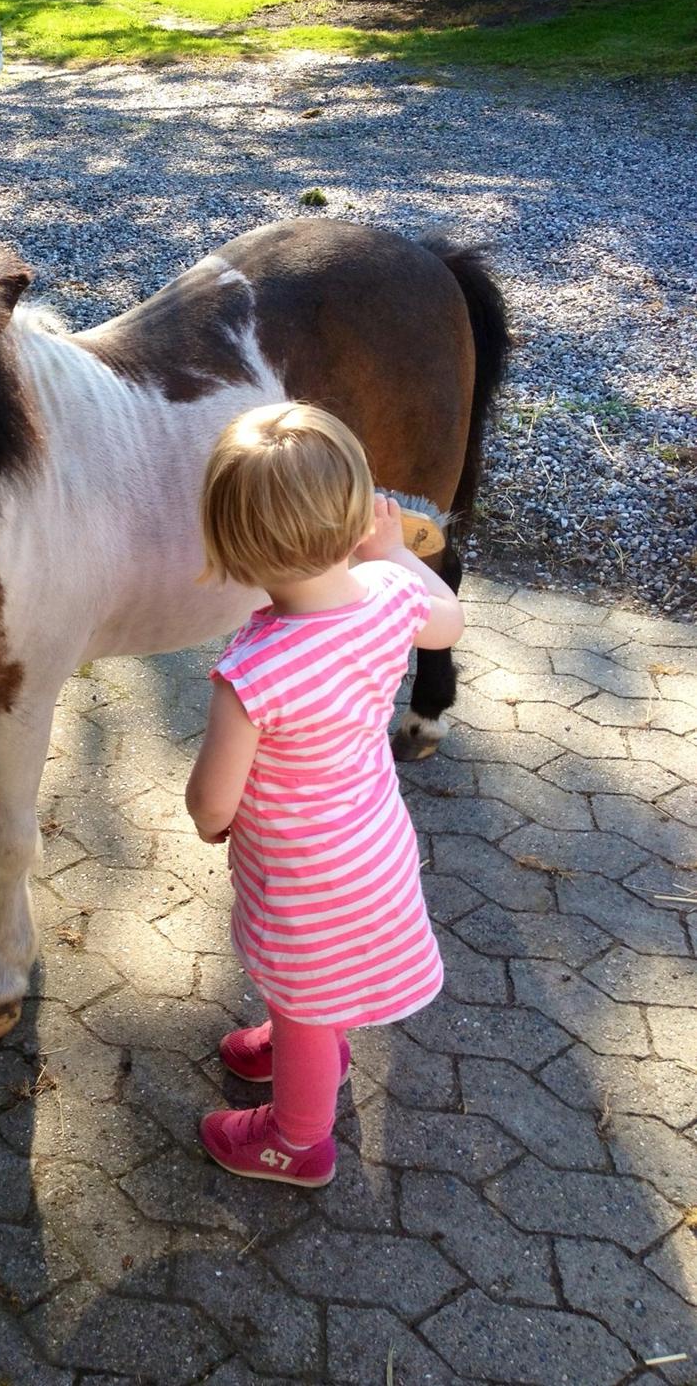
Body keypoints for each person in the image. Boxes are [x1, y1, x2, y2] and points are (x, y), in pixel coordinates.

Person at [184, 401, 465, 1187]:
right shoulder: (388, 594)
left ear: (233, 546)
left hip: (304, 870)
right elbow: (451, 621)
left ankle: (297, 1139)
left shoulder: (252, 670)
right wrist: (396, 554)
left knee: (305, 984)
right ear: (355, 514)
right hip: (373, 840)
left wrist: (211, 825)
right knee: (312, 976)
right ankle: (303, 1037)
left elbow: (212, 800)